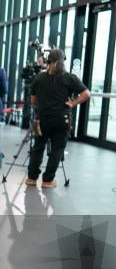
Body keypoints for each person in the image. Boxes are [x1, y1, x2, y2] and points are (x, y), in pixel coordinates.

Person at [26, 49, 90, 188]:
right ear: (63, 60)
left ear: (48, 61)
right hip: (62, 120)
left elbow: (33, 101)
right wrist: (72, 103)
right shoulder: (70, 78)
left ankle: (31, 178)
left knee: (38, 147)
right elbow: (86, 93)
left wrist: (44, 103)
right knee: (57, 149)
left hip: (41, 119)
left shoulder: (39, 78)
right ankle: (48, 180)